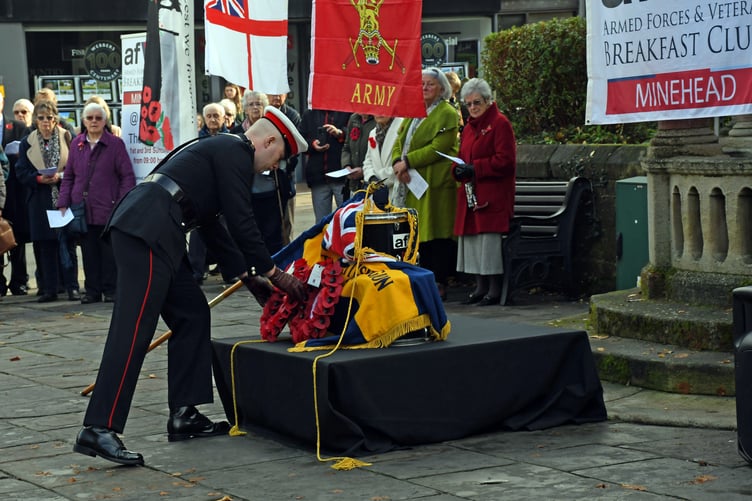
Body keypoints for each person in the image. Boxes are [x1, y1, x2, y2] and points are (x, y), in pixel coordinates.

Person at [72, 106, 309, 467]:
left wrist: (247, 276)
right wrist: (273, 272)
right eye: (278, 157)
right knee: (133, 328)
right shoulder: (235, 151)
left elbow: (213, 226)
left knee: (193, 314)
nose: (275, 167)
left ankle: (185, 413)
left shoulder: (221, 150)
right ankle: (99, 427)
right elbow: (240, 218)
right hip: (148, 228)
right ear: (269, 140)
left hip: (159, 227)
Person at [391, 67, 460, 300]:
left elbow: (438, 147)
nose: (425, 88)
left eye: (430, 84)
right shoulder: (414, 111)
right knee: (418, 233)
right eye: (421, 84)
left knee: (437, 234)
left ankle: (439, 281)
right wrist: (397, 162)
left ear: (442, 88)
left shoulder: (447, 113)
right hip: (411, 182)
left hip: (435, 183)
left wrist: (408, 161)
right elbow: (399, 139)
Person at [57, 102, 135, 304]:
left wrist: (122, 202)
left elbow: (127, 176)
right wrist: (63, 202)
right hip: (82, 208)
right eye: (89, 118)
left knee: (108, 252)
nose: (93, 121)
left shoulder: (115, 144)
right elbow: (69, 176)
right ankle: (92, 291)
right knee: (88, 252)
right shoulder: (77, 144)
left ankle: (110, 290)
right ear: (83, 121)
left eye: (98, 118)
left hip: (109, 207)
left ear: (104, 121)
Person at [452, 78, 516, 306]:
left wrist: (475, 168)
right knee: (471, 243)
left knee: (488, 243)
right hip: (471, 193)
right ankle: (479, 286)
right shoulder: (469, 128)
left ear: (488, 101)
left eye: (477, 102)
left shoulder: (500, 124)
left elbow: (506, 161)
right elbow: (461, 156)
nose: (472, 108)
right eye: (468, 104)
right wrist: (457, 169)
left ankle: (494, 288)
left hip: (492, 194)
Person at [14, 101, 74, 302]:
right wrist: (38, 178)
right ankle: (49, 289)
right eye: (41, 118)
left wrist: (61, 176)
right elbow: (21, 171)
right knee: (45, 246)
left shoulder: (66, 136)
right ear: (35, 120)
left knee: (66, 243)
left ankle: (71, 286)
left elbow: (76, 167)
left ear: (55, 118)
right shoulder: (27, 142)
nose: (46, 122)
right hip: (39, 198)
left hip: (62, 196)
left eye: (49, 117)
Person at [230, 90, 286, 253]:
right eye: (251, 104)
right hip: (247, 192)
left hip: (271, 190)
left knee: (273, 232)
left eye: (259, 104)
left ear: (265, 107)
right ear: (245, 109)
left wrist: (278, 161)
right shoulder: (236, 133)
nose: (255, 108)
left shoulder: (274, 129)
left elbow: (289, 154)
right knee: (251, 232)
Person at [0, 91, 32, 297]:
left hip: (15, 192)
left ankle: (19, 280)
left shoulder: (18, 127)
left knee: (16, 238)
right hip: (0, 191)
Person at [300, 108, 351, 221]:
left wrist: (340, 133)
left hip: (341, 176)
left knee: (346, 219)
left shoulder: (346, 111)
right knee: (321, 223)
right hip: (318, 176)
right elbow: (300, 141)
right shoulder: (309, 114)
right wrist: (313, 144)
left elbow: (354, 135)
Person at [267, 93, 301, 242]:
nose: (276, 97)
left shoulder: (292, 115)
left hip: (285, 172)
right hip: (264, 175)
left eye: (280, 94)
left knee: (286, 219)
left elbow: (295, 145)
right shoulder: (264, 113)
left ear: (286, 95)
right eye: (272, 94)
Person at [362, 115, 404, 205]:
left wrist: (380, 181)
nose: (379, 113)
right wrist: (372, 178)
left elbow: (403, 162)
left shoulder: (403, 126)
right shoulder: (372, 133)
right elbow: (368, 161)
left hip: (396, 190)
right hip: (376, 194)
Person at [341, 113, 375, 197]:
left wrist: (364, 170)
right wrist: (347, 166)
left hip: (372, 184)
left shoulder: (378, 119)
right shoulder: (353, 118)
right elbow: (346, 147)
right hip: (354, 184)